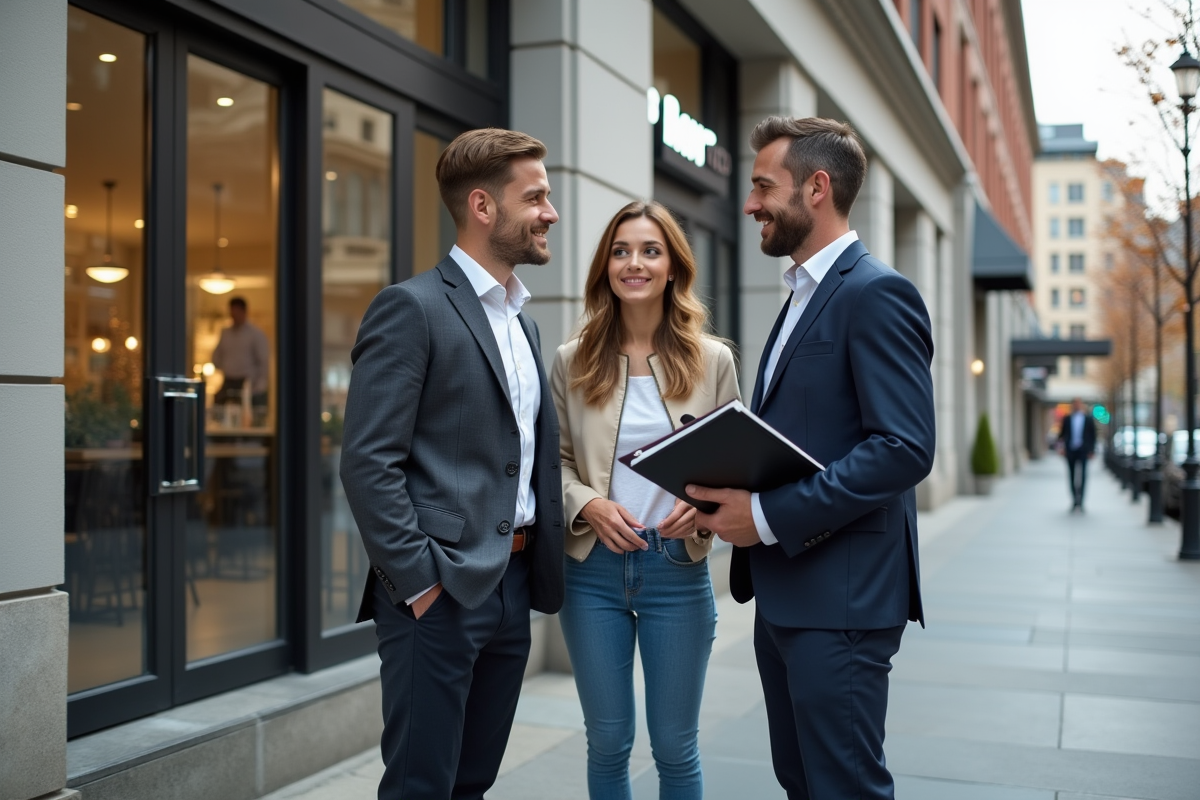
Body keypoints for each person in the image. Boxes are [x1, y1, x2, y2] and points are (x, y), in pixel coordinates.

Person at [687, 116, 935, 800]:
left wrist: (766, 515)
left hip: (843, 602)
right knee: (802, 782)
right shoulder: (803, 294)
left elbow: (905, 447)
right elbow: (807, 437)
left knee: (843, 787)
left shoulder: (875, 292)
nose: (750, 203)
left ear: (817, 188)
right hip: (790, 595)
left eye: (764, 186)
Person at [338, 128, 565, 800]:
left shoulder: (524, 323)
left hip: (513, 583)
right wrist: (419, 583)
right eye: (537, 197)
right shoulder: (411, 308)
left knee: (472, 782)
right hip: (436, 592)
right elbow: (368, 462)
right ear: (483, 207)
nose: (550, 212)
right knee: (420, 786)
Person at [551, 200, 740, 800]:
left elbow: (737, 464)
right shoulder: (571, 360)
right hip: (592, 574)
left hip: (677, 570)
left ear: (672, 267)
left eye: (650, 250)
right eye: (621, 250)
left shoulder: (713, 359)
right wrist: (587, 503)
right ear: (606, 265)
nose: (635, 262)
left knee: (675, 748)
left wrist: (705, 508)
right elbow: (548, 464)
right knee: (606, 740)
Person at [211, 296, 269, 409]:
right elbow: (216, 356)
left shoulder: (255, 334)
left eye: (237, 312)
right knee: (218, 407)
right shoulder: (225, 333)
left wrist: (259, 386)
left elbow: (263, 361)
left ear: (244, 311)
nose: (234, 315)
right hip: (228, 380)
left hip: (247, 381)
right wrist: (225, 366)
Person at [1057, 397, 1096, 512]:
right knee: (1072, 476)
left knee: (1083, 476)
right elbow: (1061, 435)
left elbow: (1093, 436)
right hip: (1070, 451)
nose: (1077, 406)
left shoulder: (1088, 419)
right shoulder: (1067, 419)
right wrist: (1061, 448)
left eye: (1079, 404)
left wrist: (1092, 451)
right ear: (1072, 405)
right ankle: (1074, 500)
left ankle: (1081, 501)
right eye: (1075, 404)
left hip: (1083, 451)